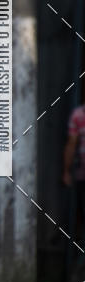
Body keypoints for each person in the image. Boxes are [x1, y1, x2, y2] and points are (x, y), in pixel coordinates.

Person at [63, 101, 85, 261]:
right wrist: (66, 171)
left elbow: (72, 144)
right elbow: (71, 145)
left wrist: (66, 171)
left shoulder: (78, 115)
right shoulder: (78, 115)